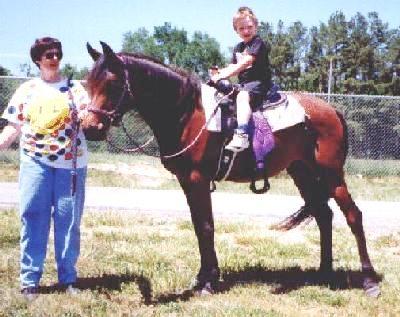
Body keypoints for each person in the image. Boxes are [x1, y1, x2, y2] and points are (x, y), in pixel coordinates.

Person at [0, 37, 89, 300]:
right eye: (48, 54)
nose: (54, 58)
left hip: (71, 166)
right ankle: (30, 280)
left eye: (57, 53)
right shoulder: (27, 89)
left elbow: (90, 118)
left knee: (68, 220)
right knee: (33, 218)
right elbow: (12, 127)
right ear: (38, 59)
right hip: (34, 164)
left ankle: (68, 278)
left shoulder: (76, 89)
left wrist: (89, 119)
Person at [211, 6, 272, 152]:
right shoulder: (238, 47)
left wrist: (223, 74)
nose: (246, 31)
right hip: (244, 84)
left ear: (256, 27)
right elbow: (233, 66)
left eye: (249, 27)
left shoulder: (258, 43)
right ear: (236, 30)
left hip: (259, 83)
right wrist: (218, 73)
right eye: (241, 28)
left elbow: (245, 63)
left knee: (243, 97)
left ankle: (242, 134)